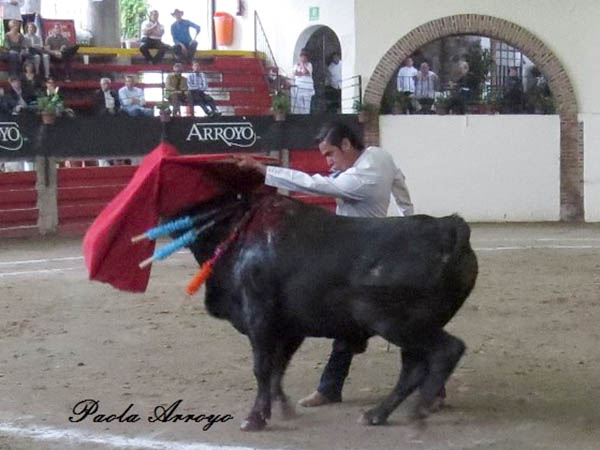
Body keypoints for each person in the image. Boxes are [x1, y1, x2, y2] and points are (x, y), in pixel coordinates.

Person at [235, 122, 414, 406]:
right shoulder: (380, 156)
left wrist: (265, 171)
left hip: (358, 258)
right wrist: (408, 217)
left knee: (381, 322)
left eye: (330, 153)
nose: (328, 161)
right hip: (365, 253)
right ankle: (330, 387)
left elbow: (315, 184)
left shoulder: (358, 180)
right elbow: (399, 180)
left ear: (346, 145)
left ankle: (332, 387)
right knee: (357, 323)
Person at [291, 49, 314, 114]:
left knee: (307, 106)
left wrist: (302, 65)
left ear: (307, 58)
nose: (303, 58)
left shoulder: (309, 65)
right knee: (299, 105)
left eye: (304, 57)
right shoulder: (296, 65)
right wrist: (301, 72)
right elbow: (296, 73)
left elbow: (306, 72)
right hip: (299, 88)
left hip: (307, 88)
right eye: (302, 57)